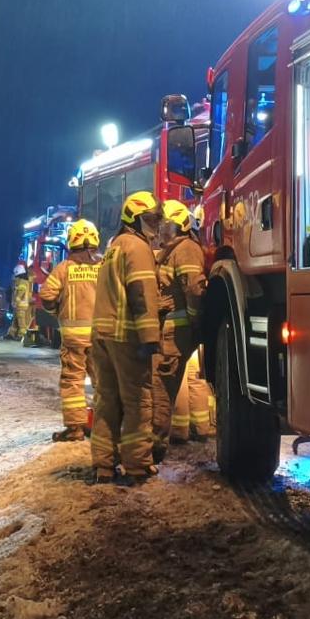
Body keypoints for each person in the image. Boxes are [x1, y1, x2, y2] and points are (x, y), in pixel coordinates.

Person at [89, 191, 162, 485]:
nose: (155, 225)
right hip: (126, 336)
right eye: (150, 219)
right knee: (137, 401)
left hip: (102, 336)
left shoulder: (114, 247)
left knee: (107, 401)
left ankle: (104, 466)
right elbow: (141, 294)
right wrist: (149, 338)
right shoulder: (137, 247)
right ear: (134, 219)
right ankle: (137, 465)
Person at [150, 200, 206, 462]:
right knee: (160, 386)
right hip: (169, 330)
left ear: (179, 226)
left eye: (166, 225)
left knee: (161, 389)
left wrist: (196, 322)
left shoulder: (185, 250)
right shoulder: (171, 251)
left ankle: (154, 446)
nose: (162, 230)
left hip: (175, 332)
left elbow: (194, 289)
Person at [38, 220, 100, 442]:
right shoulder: (103, 267)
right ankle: (104, 426)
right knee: (102, 382)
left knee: (73, 381)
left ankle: (75, 428)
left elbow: (46, 296)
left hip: (74, 338)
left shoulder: (64, 269)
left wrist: (58, 311)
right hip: (101, 336)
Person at [9, 264, 33, 340]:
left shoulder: (22, 282)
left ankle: (22, 335)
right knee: (15, 321)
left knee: (21, 321)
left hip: (21, 305)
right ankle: (11, 334)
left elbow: (20, 292)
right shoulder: (22, 281)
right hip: (19, 305)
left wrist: (16, 300)